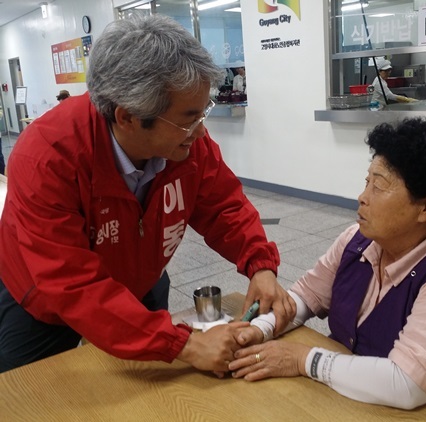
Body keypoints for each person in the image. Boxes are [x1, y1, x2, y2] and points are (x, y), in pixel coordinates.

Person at [0, 15, 296, 373]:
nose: (200, 132)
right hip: (42, 299)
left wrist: (260, 266)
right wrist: (183, 343)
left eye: (203, 113)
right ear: (127, 117)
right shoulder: (48, 156)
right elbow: (71, 283)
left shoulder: (185, 145)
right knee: (31, 395)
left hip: (140, 276)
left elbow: (224, 206)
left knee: (154, 387)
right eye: (188, 119)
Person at [229, 117, 426, 414]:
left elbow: (406, 383)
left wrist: (303, 359)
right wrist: (261, 329)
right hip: (346, 401)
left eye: (379, 186)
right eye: (367, 182)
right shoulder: (358, 241)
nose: (362, 197)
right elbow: (304, 298)